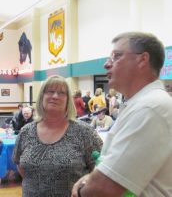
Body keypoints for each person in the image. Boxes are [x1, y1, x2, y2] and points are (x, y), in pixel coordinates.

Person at [72, 32, 172, 197]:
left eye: (116, 56)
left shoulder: (150, 107)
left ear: (142, 59)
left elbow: (104, 187)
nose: (106, 64)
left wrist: (82, 191)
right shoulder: (138, 104)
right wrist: (91, 179)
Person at [13, 75, 103, 197]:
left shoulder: (84, 132)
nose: (55, 96)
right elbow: (20, 166)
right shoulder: (26, 132)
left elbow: (103, 168)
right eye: (50, 91)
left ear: (68, 100)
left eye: (61, 93)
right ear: (42, 97)